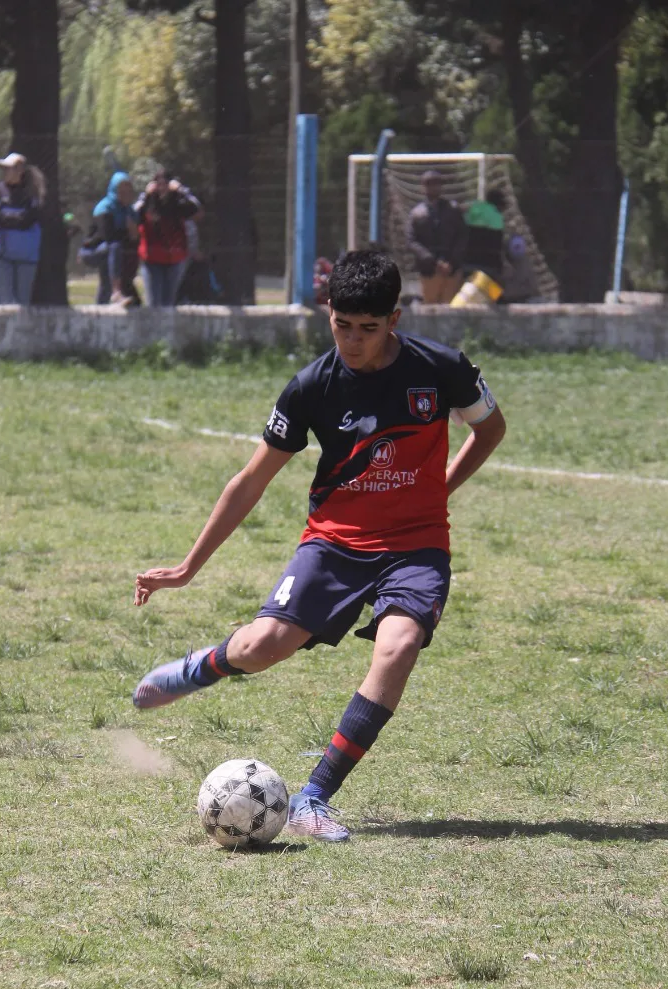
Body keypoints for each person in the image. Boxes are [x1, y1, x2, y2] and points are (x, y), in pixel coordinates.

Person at [132, 249, 506, 842]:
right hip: (335, 543)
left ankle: (314, 797)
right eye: (341, 325)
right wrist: (186, 567)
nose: (352, 341)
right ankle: (205, 665)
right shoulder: (313, 386)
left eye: (368, 328)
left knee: (399, 645)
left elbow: (490, 428)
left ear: (394, 320)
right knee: (262, 647)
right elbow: (250, 480)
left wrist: (440, 488)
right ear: (327, 313)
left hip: (416, 546)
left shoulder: (441, 369)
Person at [134, 169, 201, 306]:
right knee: (154, 303)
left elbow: (196, 208)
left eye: (165, 184)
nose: (162, 188)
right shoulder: (147, 202)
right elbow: (133, 214)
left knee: (169, 303)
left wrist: (182, 190)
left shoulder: (179, 203)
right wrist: (146, 194)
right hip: (151, 259)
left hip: (175, 259)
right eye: (158, 184)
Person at [0, 153, 45, 305]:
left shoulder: (31, 193)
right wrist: (16, 217)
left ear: (20, 171)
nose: (5, 171)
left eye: (9, 168)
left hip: (26, 256)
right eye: (4, 168)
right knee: (5, 301)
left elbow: (28, 220)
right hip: (1, 255)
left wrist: (6, 216)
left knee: (23, 302)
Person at [407, 169, 467, 305]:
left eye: (436, 183)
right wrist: (432, 260)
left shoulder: (453, 209)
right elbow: (412, 241)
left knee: (452, 307)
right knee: (430, 308)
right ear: (423, 187)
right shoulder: (417, 213)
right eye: (429, 184)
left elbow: (462, 236)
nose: (433, 187)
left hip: (451, 269)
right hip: (429, 270)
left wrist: (452, 261)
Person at [83, 171, 140, 306]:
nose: (125, 192)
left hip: (114, 255)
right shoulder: (105, 207)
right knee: (115, 247)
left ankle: (100, 308)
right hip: (93, 251)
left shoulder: (129, 211)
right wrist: (128, 232)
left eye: (128, 189)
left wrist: (134, 234)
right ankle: (116, 292)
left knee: (105, 283)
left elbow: (135, 239)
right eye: (121, 189)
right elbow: (107, 237)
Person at [462, 187, 506, 282]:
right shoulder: (496, 218)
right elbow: (498, 247)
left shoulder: (472, 212)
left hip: (467, 266)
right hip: (489, 269)